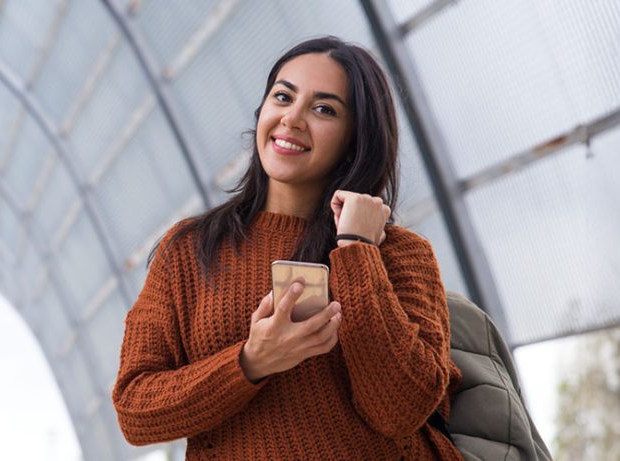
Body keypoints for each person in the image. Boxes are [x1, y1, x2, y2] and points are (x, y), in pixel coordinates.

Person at [111, 35, 463, 460]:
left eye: (323, 109)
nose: (292, 119)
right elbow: (135, 410)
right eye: (283, 97)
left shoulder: (398, 252)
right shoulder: (190, 250)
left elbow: (399, 411)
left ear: (356, 138)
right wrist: (251, 361)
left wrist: (356, 248)